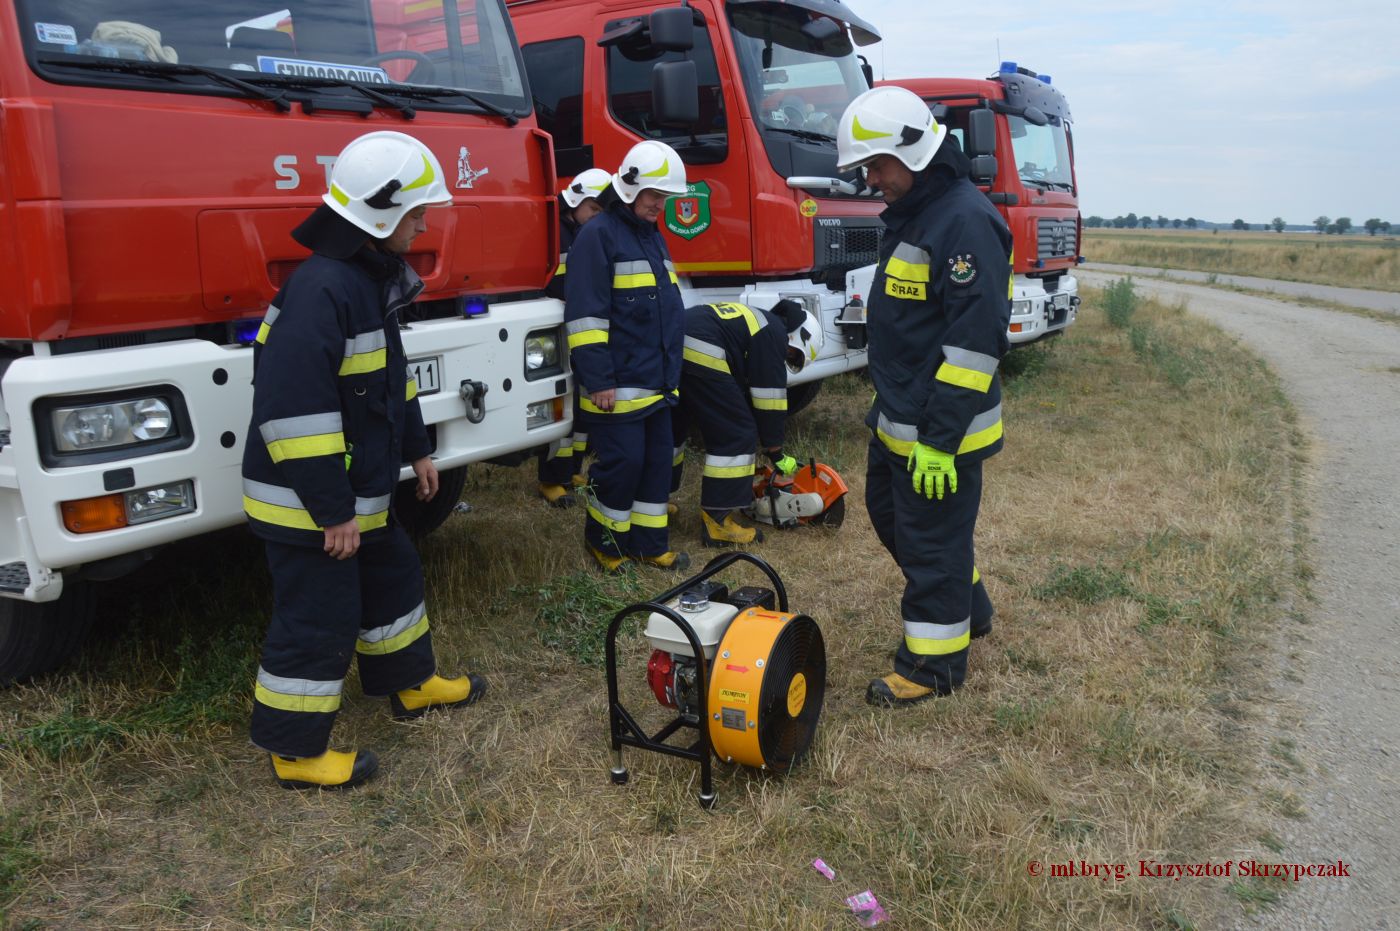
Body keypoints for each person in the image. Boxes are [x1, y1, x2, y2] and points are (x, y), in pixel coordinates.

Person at [242, 130, 487, 789]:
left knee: (394, 576)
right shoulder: (324, 289)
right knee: (318, 616)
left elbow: (391, 378)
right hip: (310, 508)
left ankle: (409, 682)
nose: (425, 223)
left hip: (359, 497)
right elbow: (294, 412)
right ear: (379, 216)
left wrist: (416, 449)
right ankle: (295, 749)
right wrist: (331, 511)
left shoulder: (365, 282)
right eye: (416, 214)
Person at [834, 87, 1012, 707]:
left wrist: (938, 443)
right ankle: (971, 608)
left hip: (942, 433)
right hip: (901, 419)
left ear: (913, 150)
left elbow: (973, 345)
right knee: (899, 526)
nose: (870, 179)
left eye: (875, 165)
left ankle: (932, 668)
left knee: (931, 544)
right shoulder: (918, 213)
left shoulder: (964, 221)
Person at [565, 140, 690, 573]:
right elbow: (584, 315)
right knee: (624, 463)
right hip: (616, 384)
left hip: (655, 380)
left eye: (665, 197)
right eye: (655, 195)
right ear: (629, 186)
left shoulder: (651, 236)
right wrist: (598, 379)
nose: (660, 204)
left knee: (657, 463)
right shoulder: (597, 236)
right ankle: (606, 543)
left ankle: (649, 544)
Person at [670, 298, 808, 546]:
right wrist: (775, 450)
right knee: (737, 432)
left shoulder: (760, 319)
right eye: (793, 354)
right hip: (701, 347)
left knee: (673, 427)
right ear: (798, 337)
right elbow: (769, 397)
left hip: (672, 338)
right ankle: (718, 522)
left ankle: (653, 502)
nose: (787, 357)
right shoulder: (774, 331)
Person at [537, 168, 612, 507]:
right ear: (577, 200)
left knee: (582, 402)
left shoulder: (585, 231)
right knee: (560, 401)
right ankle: (551, 479)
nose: (597, 217)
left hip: (580, 322)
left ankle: (572, 470)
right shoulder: (553, 229)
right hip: (554, 326)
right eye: (594, 210)